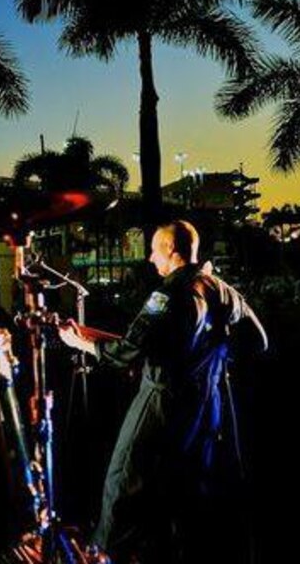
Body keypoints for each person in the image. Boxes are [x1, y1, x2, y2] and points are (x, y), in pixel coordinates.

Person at [59, 220, 267, 563]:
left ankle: (102, 557)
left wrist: (77, 341)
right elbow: (258, 341)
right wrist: (215, 353)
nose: (151, 259)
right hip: (205, 408)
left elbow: (127, 353)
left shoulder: (168, 294)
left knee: (122, 485)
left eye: (154, 250)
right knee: (183, 496)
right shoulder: (220, 288)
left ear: (171, 250)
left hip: (161, 405)